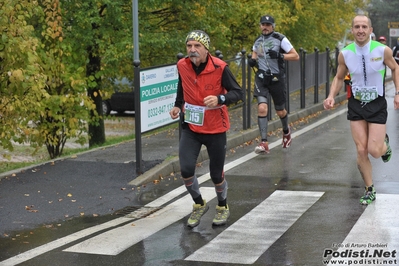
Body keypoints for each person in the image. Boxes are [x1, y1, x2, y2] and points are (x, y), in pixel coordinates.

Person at [169, 30, 244, 227]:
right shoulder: (182, 65)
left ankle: (222, 206)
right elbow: (181, 86)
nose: (192, 50)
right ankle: (199, 204)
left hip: (215, 128)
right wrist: (178, 105)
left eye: (197, 46)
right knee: (185, 170)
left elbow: (239, 93)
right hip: (191, 127)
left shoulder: (220, 68)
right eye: (189, 46)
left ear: (206, 49)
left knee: (216, 174)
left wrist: (220, 98)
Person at [324, 15, 399, 205]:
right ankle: (369, 189)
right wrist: (331, 95)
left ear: (370, 30)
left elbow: (395, 68)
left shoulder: (382, 50)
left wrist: (398, 92)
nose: (360, 30)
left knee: (375, 150)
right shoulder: (346, 53)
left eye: (364, 26)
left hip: (376, 103)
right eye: (357, 26)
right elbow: (339, 77)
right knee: (361, 149)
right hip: (356, 104)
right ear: (352, 30)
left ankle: (385, 145)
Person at [248, 15, 300, 154]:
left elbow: (295, 56)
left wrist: (280, 56)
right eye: (263, 24)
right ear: (260, 26)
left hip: (277, 79)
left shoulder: (280, 39)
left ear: (273, 26)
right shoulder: (258, 41)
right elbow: (254, 55)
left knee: (280, 111)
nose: (265, 27)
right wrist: (252, 61)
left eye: (268, 24)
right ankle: (264, 142)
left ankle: (286, 131)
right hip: (261, 78)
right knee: (262, 108)